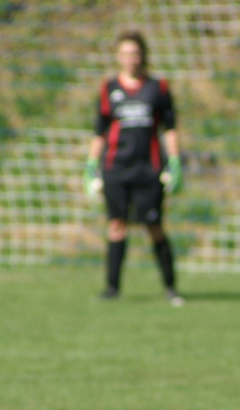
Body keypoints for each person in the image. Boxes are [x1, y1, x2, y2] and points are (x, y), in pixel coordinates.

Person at [85, 30, 184, 305]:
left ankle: (171, 288)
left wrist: (175, 160)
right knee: (116, 226)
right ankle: (112, 289)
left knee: (154, 226)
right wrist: (91, 164)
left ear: (143, 56)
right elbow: (99, 131)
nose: (130, 59)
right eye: (125, 54)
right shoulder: (109, 88)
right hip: (116, 168)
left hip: (148, 168)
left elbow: (169, 127)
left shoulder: (157, 87)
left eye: (135, 53)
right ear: (118, 57)